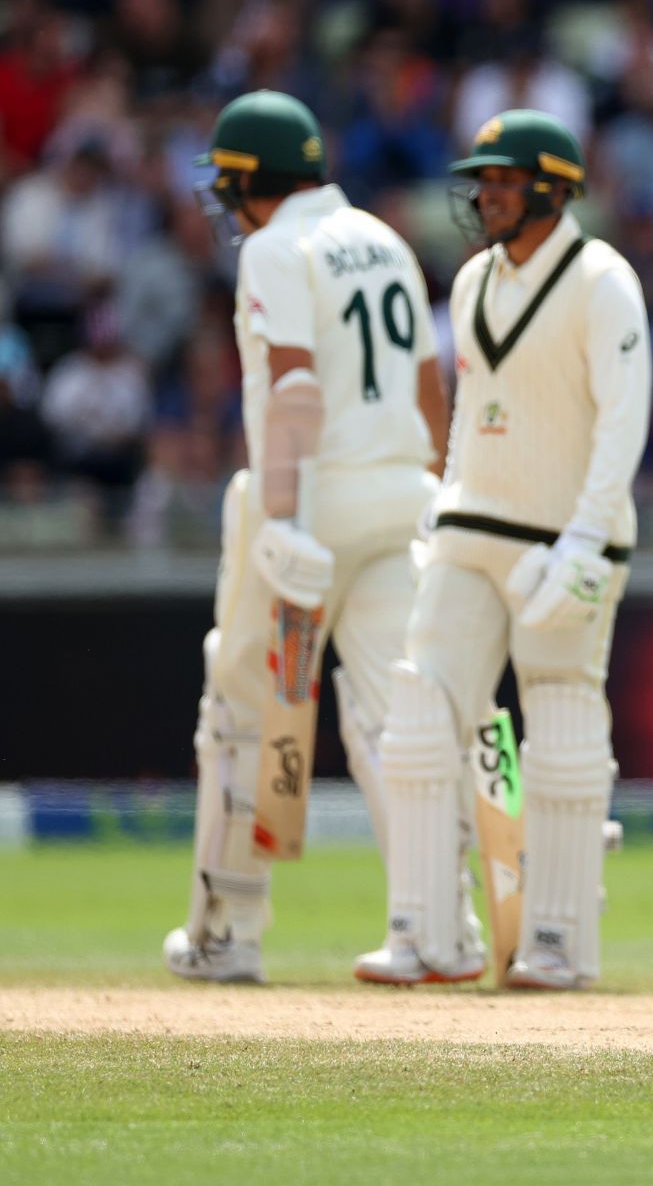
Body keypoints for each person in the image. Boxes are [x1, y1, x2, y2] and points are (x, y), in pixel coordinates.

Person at [355, 110, 650, 989]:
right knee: (415, 719)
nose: (483, 194)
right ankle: (430, 933)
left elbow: (621, 421)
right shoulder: (474, 277)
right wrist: (441, 512)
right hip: (469, 530)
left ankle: (558, 939)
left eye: (502, 180)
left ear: (552, 190)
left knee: (560, 726)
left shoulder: (603, 280)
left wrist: (589, 541)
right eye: (480, 180)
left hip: (565, 541)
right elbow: (475, 408)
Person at [164, 90, 447, 983]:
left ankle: (226, 932)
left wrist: (283, 519)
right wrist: (441, 490)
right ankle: (435, 926)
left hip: (310, 499)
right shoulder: (386, 239)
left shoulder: (275, 250)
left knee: (240, 713)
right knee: (396, 719)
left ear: (251, 180)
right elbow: (430, 384)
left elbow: (293, 390)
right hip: (402, 491)